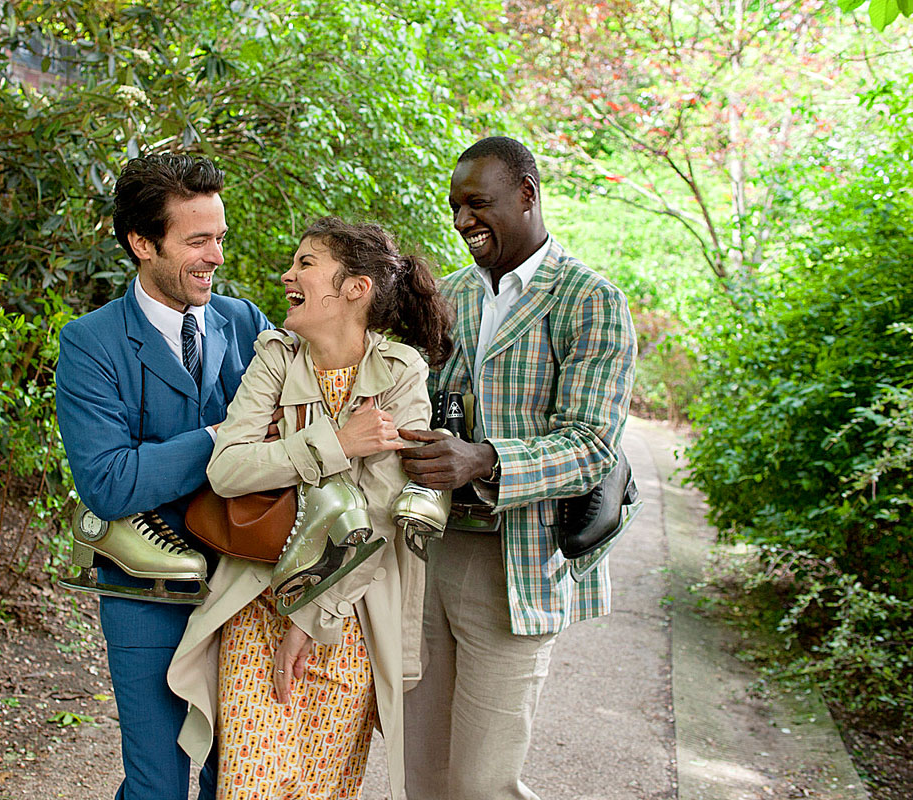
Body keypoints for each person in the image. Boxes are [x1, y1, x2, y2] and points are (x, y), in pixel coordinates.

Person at [167, 217, 454, 800]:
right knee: (248, 786)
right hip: (256, 598)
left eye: (305, 264)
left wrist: (309, 618)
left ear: (355, 288)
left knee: (320, 790)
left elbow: (378, 516)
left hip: (348, 613)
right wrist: (339, 444)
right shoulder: (276, 356)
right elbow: (226, 471)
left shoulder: (402, 374)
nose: (287, 275)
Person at [398, 136, 637, 800]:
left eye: (478, 204)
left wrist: (485, 458)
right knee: (423, 775)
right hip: (431, 555)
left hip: (519, 566)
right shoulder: (447, 296)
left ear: (527, 194)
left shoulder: (590, 301)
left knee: (481, 783)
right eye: (454, 208)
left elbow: (593, 444)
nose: (462, 221)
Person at [55, 153, 271, 800]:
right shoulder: (90, 344)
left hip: (244, 580)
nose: (216, 257)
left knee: (230, 777)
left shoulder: (246, 322)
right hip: (145, 593)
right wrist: (224, 439)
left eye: (221, 238)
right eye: (197, 240)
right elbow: (110, 483)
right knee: (159, 786)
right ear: (142, 243)